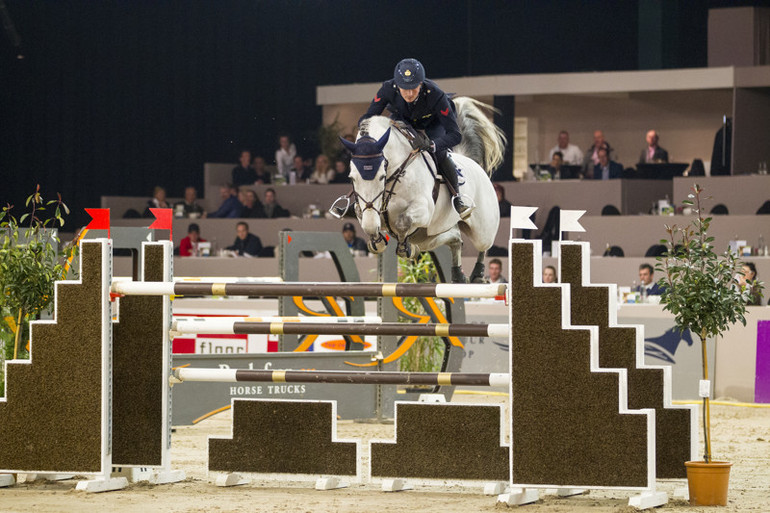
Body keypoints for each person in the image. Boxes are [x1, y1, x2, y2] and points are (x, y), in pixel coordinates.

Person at [359, 58, 470, 219]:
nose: (409, 94)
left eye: (414, 88)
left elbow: (455, 135)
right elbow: (367, 118)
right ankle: (359, 201)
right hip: (403, 118)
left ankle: (457, 199)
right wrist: (365, 139)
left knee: (440, 154)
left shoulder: (435, 95)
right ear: (397, 85)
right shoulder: (387, 89)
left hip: (433, 121)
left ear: (421, 84)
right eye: (404, 89)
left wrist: (432, 145)